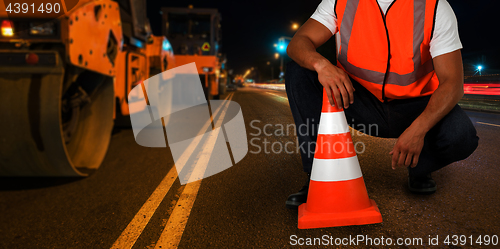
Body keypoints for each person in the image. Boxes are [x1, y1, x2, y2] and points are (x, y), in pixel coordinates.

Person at [285, 0, 479, 209]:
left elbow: (453, 83)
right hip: (357, 99)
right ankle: (317, 177)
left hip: (415, 107)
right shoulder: (340, 1)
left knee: (462, 136)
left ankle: (420, 168)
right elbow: (298, 42)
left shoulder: (435, 6)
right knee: (299, 72)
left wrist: (418, 130)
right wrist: (321, 64)